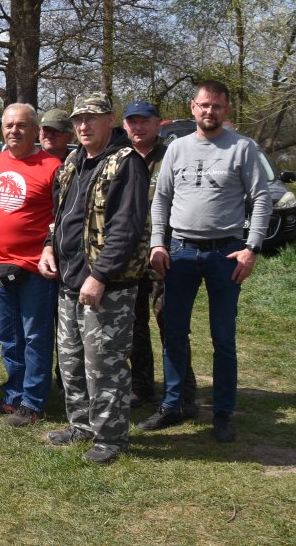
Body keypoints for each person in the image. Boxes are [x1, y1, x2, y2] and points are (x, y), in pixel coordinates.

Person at [143, 80, 272, 443]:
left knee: (223, 337)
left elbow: (261, 199)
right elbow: (162, 199)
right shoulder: (177, 149)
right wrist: (158, 243)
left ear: (226, 110)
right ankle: (173, 404)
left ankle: (223, 412)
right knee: (174, 333)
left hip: (225, 253)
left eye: (216, 106)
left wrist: (252, 248)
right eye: (203, 105)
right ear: (192, 107)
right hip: (181, 252)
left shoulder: (242, 148)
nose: (209, 111)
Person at [38, 93, 149, 464]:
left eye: (92, 118)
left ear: (110, 120)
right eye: (78, 120)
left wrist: (100, 275)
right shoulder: (73, 161)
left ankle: (112, 437)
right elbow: (60, 215)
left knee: (104, 363)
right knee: (71, 361)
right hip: (69, 281)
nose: (83, 126)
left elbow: (126, 228)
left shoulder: (126, 163)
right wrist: (48, 247)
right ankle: (82, 425)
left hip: (107, 286)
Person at [0, 103, 62, 426]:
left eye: (22, 125)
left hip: (35, 269)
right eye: (9, 125)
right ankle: (13, 396)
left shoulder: (51, 166)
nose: (14, 130)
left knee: (35, 336)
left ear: (35, 130)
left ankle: (34, 401)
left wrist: (47, 248)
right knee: (8, 336)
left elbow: (61, 218)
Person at [119, 100, 197, 412]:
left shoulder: (172, 156)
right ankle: (142, 387)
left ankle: (184, 392)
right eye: (132, 122)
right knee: (133, 324)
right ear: (125, 125)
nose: (138, 127)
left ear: (157, 124)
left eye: (144, 121)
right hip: (127, 255)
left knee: (170, 323)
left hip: (165, 253)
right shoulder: (119, 157)